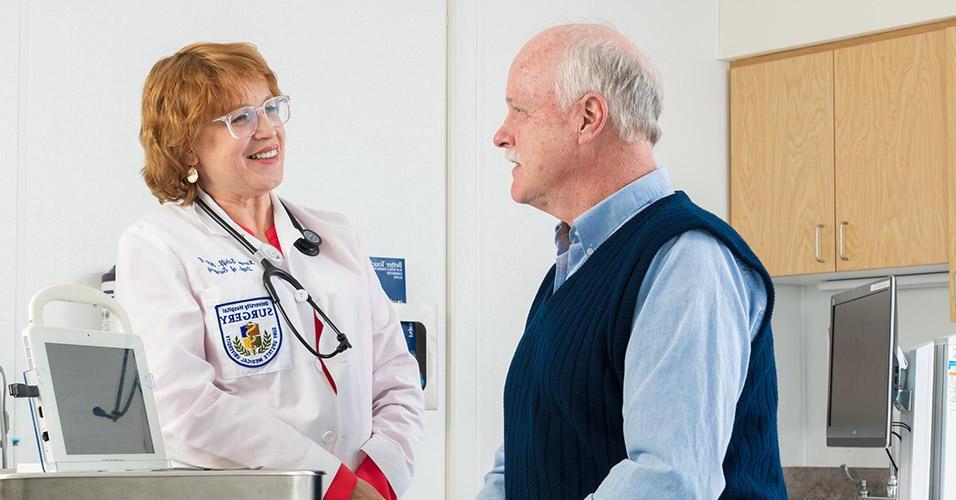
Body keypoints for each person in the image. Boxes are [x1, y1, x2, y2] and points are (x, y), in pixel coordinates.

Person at [478, 24, 787, 499]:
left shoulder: (686, 260)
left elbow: (667, 482)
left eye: (519, 110)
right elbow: (518, 464)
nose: (502, 135)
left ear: (588, 118)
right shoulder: (570, 269)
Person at [116, 42, 423, 500]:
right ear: (187, 149)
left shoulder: (334, 234)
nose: (267, 131)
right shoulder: (158, 244)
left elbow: (396, 374)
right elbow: (181, 406)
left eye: (271, 109)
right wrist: (328, 483)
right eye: (240, 118)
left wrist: (377, 479)